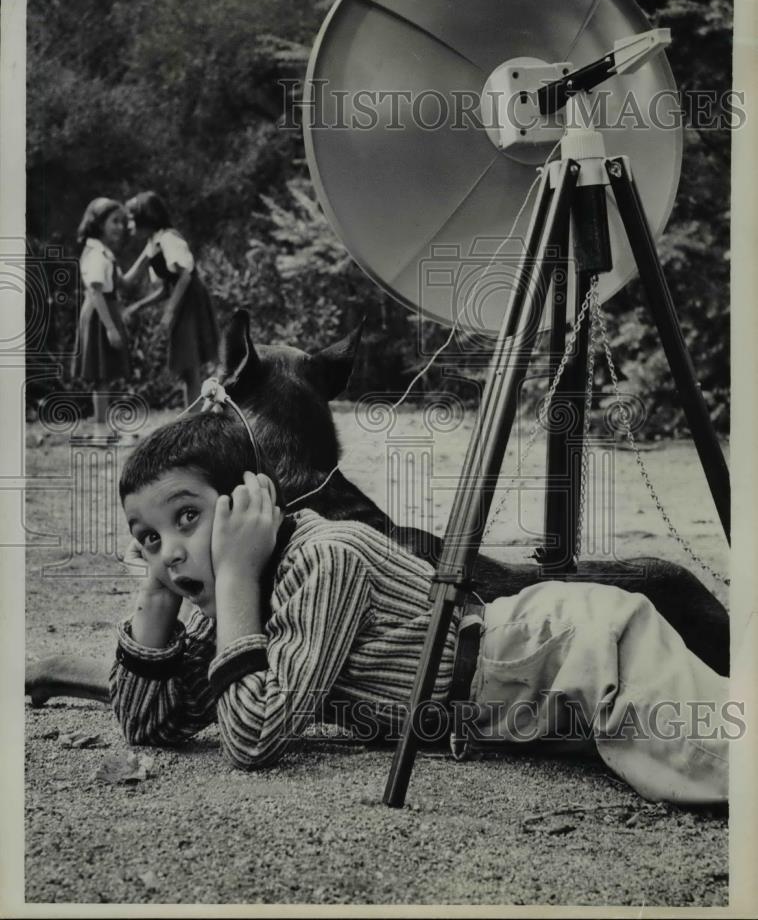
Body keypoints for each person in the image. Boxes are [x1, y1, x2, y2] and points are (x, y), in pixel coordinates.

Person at [111, 411, 732, 805]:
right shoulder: (230, 611)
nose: (168, 551)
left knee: (720, 758)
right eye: (148, 538)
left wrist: (239, 575)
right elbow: (150, 725)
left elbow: (254, 738)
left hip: (566, 649)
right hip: (515, 710)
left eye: (186, 517)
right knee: (677, 765)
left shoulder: (327, 555)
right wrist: (156, 597)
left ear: (248, 503)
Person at [124, 192, 219, 409]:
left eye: (132, 219)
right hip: (182, 300)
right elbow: (165, 287)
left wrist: (170, 312)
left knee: (191, 362)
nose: (129, 225)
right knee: (188, 365)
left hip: (191, 300)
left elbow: (184, 276)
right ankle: (193, 414)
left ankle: (196, 415)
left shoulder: (168, 238)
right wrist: (139, 305)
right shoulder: (152, 244)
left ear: (145, 218)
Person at [73, 197, 150, 440]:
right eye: (114, 221)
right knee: (101, 376)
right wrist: (110, 328)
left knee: (106, 375)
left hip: (105, 310)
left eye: (122, 222)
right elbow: (95, 291)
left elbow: (124, 283)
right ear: (98, 223)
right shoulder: (95, 253)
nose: (120, 227)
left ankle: (104, 430)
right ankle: (99, 433)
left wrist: (146, 256)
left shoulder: (105, 253)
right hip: (99, 314)